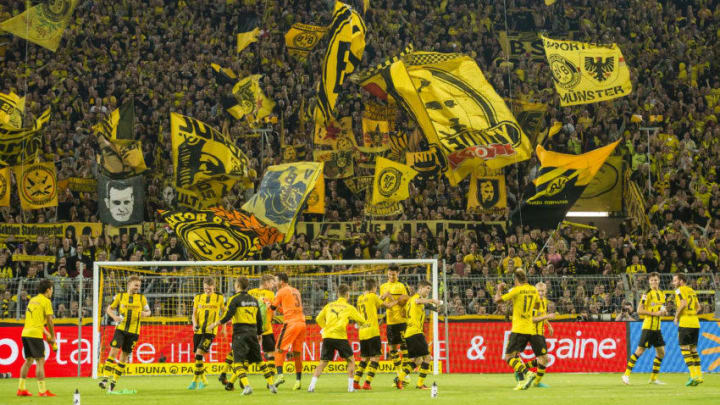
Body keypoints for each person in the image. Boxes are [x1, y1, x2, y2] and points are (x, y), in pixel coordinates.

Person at [208, 277, 276, 395]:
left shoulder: (234, 299)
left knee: (238, 362)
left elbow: (228, 316)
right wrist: (259, 334)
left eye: (235, 284)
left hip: (240, 333)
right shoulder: (254, 300)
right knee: (259, 361)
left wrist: (215, 324)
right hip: (253, 332)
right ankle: (271, 385)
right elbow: (259, 319)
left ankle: (247, 386)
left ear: (238, 285)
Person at [308, 284, 366, 393]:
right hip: (340, 337)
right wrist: (358, 323)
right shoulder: (349, 307)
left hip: (328, 336)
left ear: (337, 294)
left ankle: (311, 386)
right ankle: (350, 388)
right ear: (347, 295)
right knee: (351, 361)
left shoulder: (329, 306)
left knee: (323, 363)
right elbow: (362, 320)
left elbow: (318, 318)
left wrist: (325, 327)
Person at [99, 275, 150, 392]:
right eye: (136, 285)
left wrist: (145, 314)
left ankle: (114, 382)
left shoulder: (142, 298)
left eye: (139, 286)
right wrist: (115, 317)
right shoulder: (120, 296)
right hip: (121, 329)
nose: (138, 288)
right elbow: (109, 309)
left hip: (134, 332)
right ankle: (105, 378)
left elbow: (149, 311)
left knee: (124, 358)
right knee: (113, 352)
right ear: (129, 284)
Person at [494, 269, 539, 390]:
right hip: (529, 328)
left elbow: (497, 300)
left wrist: (499, 289)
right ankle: (521, 382)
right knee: (515, 356)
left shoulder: (516, 290)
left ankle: (528, 373)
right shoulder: (534, 289)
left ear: (516, 279)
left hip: (519, 328)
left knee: (508, 357)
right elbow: (538, 305)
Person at [622, 272, 667, 385]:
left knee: (661, 353)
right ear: (649, 282)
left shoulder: (662, 293)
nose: (653, 282)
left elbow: (663, 308)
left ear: (659, 281)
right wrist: (655, 313)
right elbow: (639, 310)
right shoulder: (647, 294)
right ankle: (626, 375)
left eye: (655, 280)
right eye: (652, 280)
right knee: (639, 351)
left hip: (657, 328)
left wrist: (664, 312)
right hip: (648, 327)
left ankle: (653, 378)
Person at [395, 280, 439, 390]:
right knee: (427, 357)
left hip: (409, 333)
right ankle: (420, 384)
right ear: (420, 288)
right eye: (427, 288)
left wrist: (432, 308)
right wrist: (432, 300)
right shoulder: (415, 298)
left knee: (418, 361)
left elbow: (406, 312)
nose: (429, 291)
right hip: (415, 332)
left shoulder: (410, 301)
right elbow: (419, 301)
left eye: (430, 289)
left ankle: (400, 378)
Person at [17, 280, 56, 397]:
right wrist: (52, 336)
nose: (52, 292)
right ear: (48, 290)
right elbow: (50, 321)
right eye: (52, 289)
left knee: (28, 360)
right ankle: (42, 391)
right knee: (40, 361)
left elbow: (35, 321)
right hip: (35, 334)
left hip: (25, 332)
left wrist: (47, 334)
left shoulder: (32, 300)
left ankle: (21, 388)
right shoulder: (46, 301)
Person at [270, 272, 306, 390]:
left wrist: (267, 303)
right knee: (297, 353)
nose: (274, 283)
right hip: (302, 322)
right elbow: (285, 309)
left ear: (281, 281)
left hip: (291, 323)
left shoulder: (281, 291)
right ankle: (298, 381)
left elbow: (273, 308)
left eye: (275, 280)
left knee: (278, 349)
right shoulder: (296, 290)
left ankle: (280, 375)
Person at [188, 277, 225, 390]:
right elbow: (193, 314)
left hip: (210, 331)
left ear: (214, 287)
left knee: (199, 354)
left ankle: (198, 380)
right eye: (205, 289)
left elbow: (225, 313)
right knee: (197, 357)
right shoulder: (198, 297)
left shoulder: (219, 297)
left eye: (209, 289)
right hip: (198, 330)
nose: (207, 291)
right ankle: (200, 380)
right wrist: (194, 324)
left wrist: (223, 327)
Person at [379, 265, 410, 385]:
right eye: (390, 274)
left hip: (402, 321)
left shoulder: (401, 286)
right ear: (387, 274)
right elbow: (381, 303)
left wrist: (393, 299)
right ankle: (399, 374)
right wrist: (382, 297)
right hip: (390, 323)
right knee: (392, 349)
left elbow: (406, 301)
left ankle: (405, 376)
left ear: (398, 274)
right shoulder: (383, 287)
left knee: (405, 349)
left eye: (394, 274)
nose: (392, 276)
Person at [353, 278, 385, 390]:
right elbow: (386, 305)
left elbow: (372, 304)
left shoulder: (360, 298)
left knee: (364, 358)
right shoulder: (373, 296)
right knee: (375, 358)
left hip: (362, 332)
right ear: (374, 287)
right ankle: (367, 383)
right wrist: (395, 300)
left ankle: (355, 382)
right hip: (372, 331)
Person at [673, 273, 703, 386]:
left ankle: (693, 375)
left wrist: (676, 316)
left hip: (685, 322)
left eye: (675, 280)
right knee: (693, 349)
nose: (673, 283)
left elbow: (683, 303)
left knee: (684, 348)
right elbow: (699, 307)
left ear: (681, 281)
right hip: (695, 323)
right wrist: (692, 314)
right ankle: (699, 376)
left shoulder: (678, 290)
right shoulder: (692, 291)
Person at [248, 274, 278, 383]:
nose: (273, 285)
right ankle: (271, 380)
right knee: (270, 352)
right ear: (265, 283)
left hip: (251, 328)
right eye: (272, 282)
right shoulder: (270, 294)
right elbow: (273, 312)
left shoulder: (250, 293)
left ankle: (242, 379)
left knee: (248, 353)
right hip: (266, 328)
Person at [526, 281, 555, 388]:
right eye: (539, 291)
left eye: (542, 291)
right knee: (545, 359)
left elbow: (542, 316)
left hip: (540, 333)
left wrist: (549, 325)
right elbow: (533, 319)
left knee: (542, 359)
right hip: (534, 333)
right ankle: (536, 383)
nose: (541, 293)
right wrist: (548, 317)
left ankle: (521, 369)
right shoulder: (534, 302)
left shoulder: (544, 301)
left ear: (545, 291)